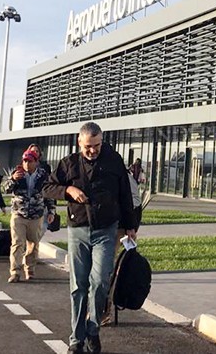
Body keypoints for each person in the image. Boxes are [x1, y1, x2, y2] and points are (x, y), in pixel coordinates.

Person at [43, 122, 137, 354]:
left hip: (106, 230)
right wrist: (68, 191)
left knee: (100, 282)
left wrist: (130, 225)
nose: (92, 150)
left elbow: (125, 194)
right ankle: (76, 339)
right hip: (78, 230)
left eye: (96, 145)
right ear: (79, 142)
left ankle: (93, 330)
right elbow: (47, 187)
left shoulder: (114, 161)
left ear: (101, 141)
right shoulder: (69, 163)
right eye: (88, 146)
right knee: (78, 286)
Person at [3, 149, 55, 283]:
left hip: (36, 215)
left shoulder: (43, 175)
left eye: (30, 161)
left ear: (36, 162)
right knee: (17, 243)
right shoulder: (17, 173)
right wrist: (13, 179)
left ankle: (30, 269)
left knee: (33, 243)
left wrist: (51, 211)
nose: (26, 164)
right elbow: (5, 189)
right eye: (25, 161)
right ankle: (15, 271)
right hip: (19, 214)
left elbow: (48, 194)